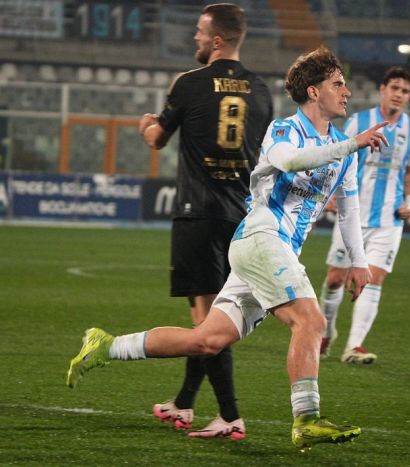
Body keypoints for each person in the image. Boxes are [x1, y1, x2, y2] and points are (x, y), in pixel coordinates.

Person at [68, 46, 390, 448]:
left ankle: (107, 346)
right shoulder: (284, 131)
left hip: (271, 251)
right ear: (313, 91)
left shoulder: (344, 148)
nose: (346, 92)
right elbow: (291, 162)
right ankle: (306, 418)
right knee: (311, 321)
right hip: (261, 239)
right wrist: (352, 144)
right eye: (337, 84)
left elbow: (349, 209)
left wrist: (359, 262)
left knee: (206, 340)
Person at [135, 3, 273, 439]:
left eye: (199, 31)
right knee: (214, 318)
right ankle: (183, 403)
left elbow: (158, 139)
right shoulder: (262, 91)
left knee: (205, 324)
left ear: (216, 39)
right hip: (242, 218)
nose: (194, 37)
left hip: (199, 213)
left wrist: (145, 125)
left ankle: (230, 416)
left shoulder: (189, 83)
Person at [318, 66, 410, 364]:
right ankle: (325, 332)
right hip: (352, 214)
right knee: (335, 279)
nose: (399, 94)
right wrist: (330, 194)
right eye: (394, 88)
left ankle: (354, 346)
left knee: (373, 279)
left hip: (389, 219)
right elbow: (338, 156)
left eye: (405, 91)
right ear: (382, 90)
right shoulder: (359, 121)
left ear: (409, 96)